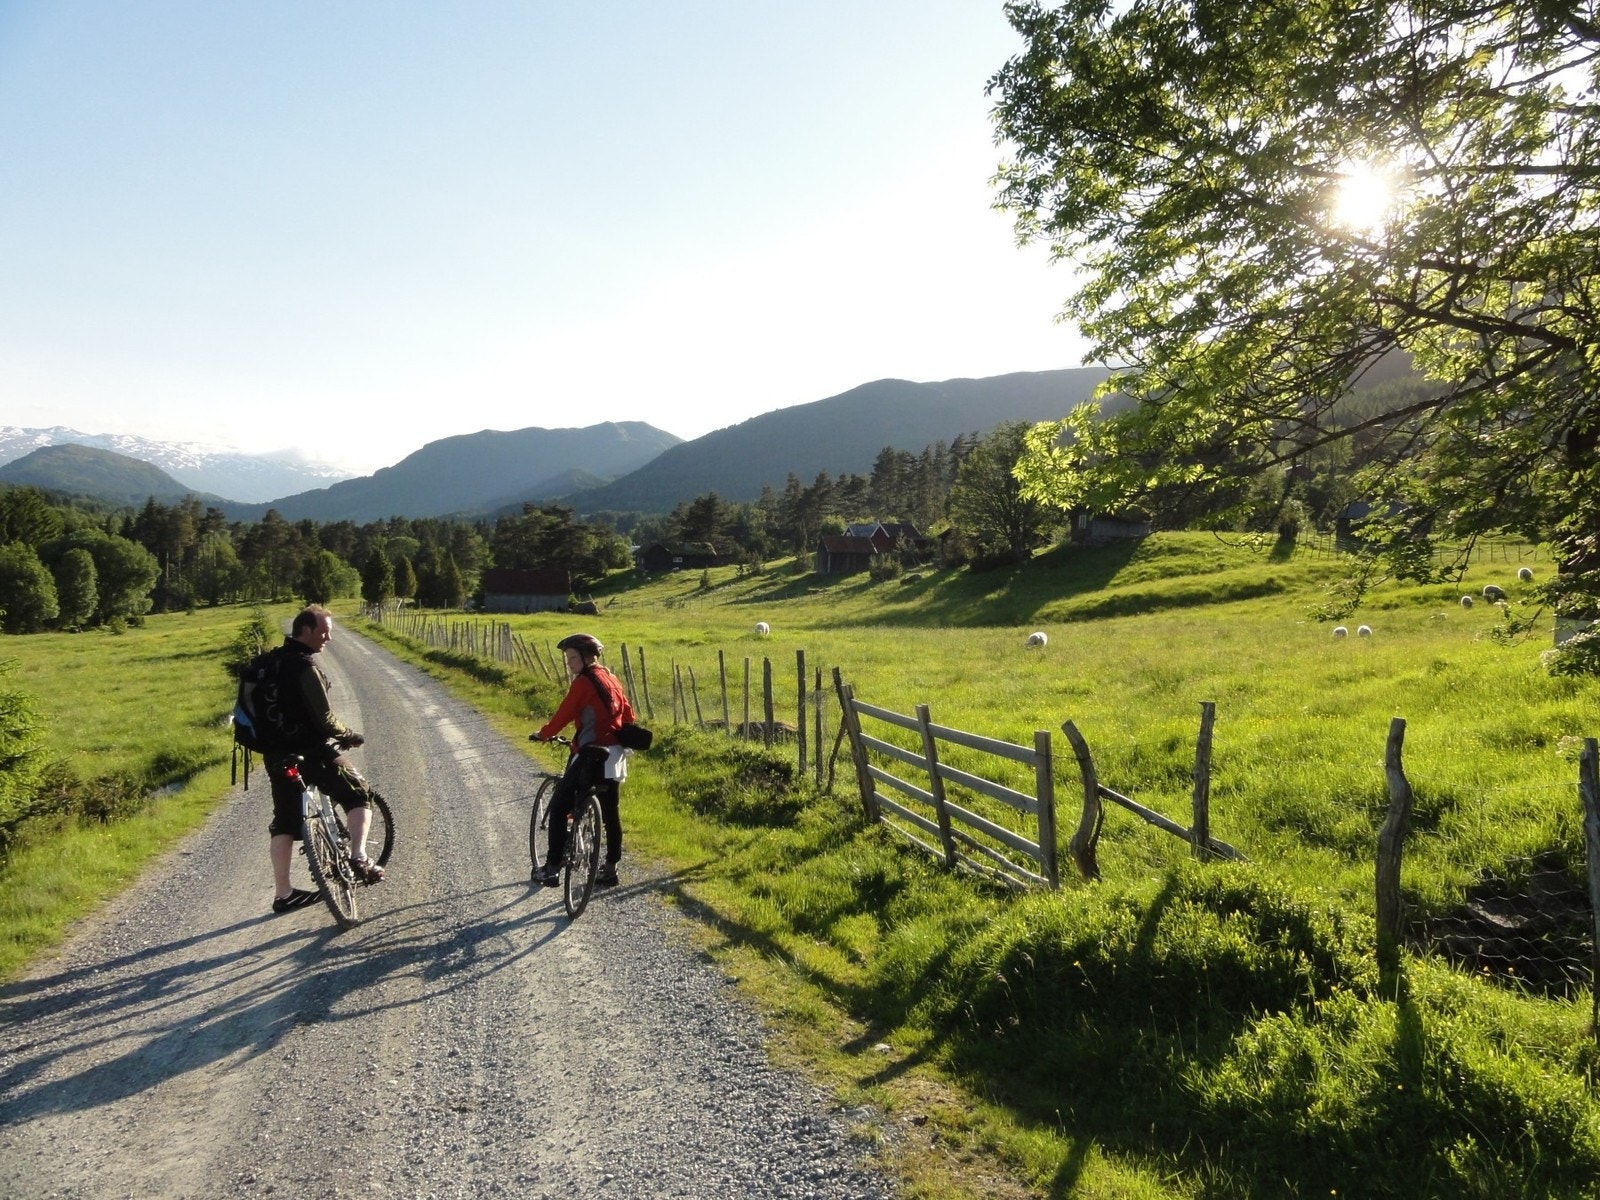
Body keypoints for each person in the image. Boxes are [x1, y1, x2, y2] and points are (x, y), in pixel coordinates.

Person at [263, 604, 386, 912]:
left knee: (285, 823)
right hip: (312, 751)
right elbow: (326, 718)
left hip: (276, 755)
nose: (328, 638)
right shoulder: (304, 667)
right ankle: (359, 856)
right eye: (324, 632)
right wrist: (349, 735)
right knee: (358, 793)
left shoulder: (270, 664)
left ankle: (284, 893)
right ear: (305, 631)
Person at [528, 632, 633, 888]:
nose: (569, 663)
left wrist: (544, 734)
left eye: (573, 658)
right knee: (610, 812)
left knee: (560, 805)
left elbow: (564, 714)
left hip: (591, 753)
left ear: (587, 658)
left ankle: (551, 868)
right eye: (568, 658)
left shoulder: (584, 683)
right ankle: (610, 869)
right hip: (616, 754)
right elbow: (628, 714)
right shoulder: (611, 678)